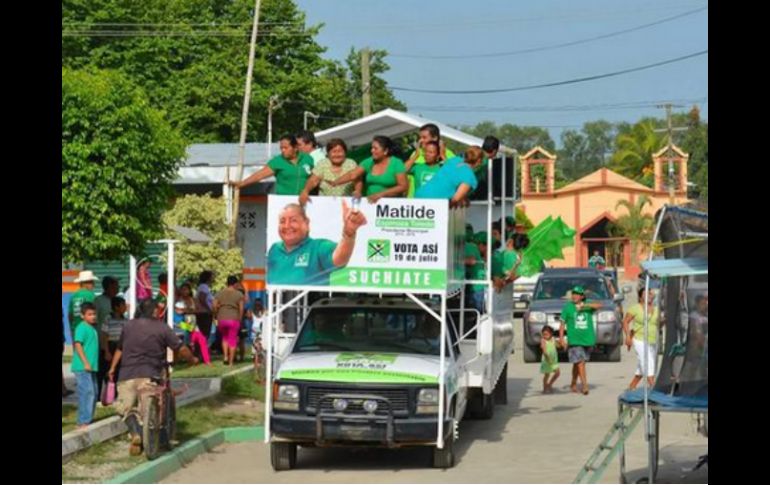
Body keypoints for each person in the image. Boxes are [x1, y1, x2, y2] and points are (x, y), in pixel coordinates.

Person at [108, 299, 197, 456]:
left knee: (125, 408)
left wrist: (112, 368)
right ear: (155, 311)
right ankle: (151, 436)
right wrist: (192, 360)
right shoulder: (162, 328)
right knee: (151, 409)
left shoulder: (128, 326)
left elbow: (120, 349)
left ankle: (136, 434)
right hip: (152, 374)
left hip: (127, 374)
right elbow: (180, 347)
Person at [267, 202, 367, 286]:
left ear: (306, 223)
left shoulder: (318, 247)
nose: (287, 226)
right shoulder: (274, 249)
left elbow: (339, 259)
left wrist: (348, 233)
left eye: (293, 220)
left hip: (308, 307)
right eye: (282, 221)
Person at [331, 136, 408, 203]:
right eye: (372, 148)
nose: (372, 151)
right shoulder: (369, 161)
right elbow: (353, 175)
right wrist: (335, 182)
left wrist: (381, 194)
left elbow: (403, 186)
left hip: (391, 207)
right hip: (371, 203)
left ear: (385, 151)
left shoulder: (397, 163)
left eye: (375, 148)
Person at [235, 135, 314, 195]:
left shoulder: (308, 159)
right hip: (283, 200)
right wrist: (242, 183)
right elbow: (259, 175)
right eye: (281, 148)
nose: (283, 150)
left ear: (295, 148)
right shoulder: (277, 161)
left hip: (304, 200)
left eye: (286, 148)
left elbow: (315, 177)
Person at [559, 286, 602, 395]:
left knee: (578, 364)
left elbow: (599, 305)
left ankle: (573, 383)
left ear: (582, 296)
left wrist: (584, 306)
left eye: (577, 294)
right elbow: (562, 323)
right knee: (580, 362)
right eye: (573, 293)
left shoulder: (587, 304)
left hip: (588, 339)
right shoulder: (568, 307)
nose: (574, 296)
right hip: (574, 340)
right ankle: (585, 385)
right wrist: (561, 339)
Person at [414, 146, 485, 207]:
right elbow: (455, 199)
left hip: (419, 195)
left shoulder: (454, 160)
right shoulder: (470, 177)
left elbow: (450, 179)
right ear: (479, 160)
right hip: (433, 204)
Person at [299, 138, 362, 205]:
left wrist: (358, 191)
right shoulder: (322, 164)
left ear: (345, 152)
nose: (337, 154)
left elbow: (357, 180)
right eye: (334, 152)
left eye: (340, 151)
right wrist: (305, 191)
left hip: (346, 204)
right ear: (328, 153)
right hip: (325, 204)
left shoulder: (351, 163)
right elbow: (313, 180)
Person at [623, 288, 660, 390]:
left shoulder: (656, 309)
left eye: (650, 293)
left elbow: (659, 324)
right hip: (639, 339)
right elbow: (625, 322)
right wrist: (627, 336)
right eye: (645, 294)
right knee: (648, 362)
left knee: (643, 365)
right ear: (640, 297)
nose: (648, 295)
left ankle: (632, 386)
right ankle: (653, 387)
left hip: (653, 340)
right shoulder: (635, 308)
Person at [405, 123, 455, 197]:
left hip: (438, 203)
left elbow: (455, 176)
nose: (421, 141)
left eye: (424, 137)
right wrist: (416, 155)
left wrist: (443, 156)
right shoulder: (416, 153)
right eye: (420, 137)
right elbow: (402, 171)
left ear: (435, 138)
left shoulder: (448, 155)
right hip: (415, 202)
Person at [71, 302, 99, 429]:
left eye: (94, 314)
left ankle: (88, 418)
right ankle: (83, 421)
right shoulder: (81, 327)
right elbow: (78, 345)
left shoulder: (92, 328)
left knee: (94, 392)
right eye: (89, 314)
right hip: (83, 367)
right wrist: (85, 362)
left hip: (91, 367)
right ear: (82, 315)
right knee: (87, 392)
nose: (93, 316)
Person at [94, 276, 119, 398]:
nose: (118, 288)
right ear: (108, 287)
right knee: (102, 369)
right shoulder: (98, 301)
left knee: (114, 370)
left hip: (115, 342)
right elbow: (95, 320)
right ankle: (98, 395)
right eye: (115, 286)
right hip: (102, 341)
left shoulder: (118, 300)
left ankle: (112, 394)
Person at [214, 276, 245, 366]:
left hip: (222, 319)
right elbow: (241, 308)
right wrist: (240, 318)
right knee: (232, 340)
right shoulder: (239, 294)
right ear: (235, 284)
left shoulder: (219, 293)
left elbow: (214, 305)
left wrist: (216, 314)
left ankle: (225, 357)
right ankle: (231, 362)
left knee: (225, 338)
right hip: (233, 319)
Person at [68, 270, 98, 338]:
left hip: (75, 330)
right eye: (92, 282)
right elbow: (96, 313)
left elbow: (70, 315)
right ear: (87, 283)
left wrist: (72, 328)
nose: (94, 285)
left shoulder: (73, 296)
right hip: (88, 330)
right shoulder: (91, 295)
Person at [195, 271, 215, 353]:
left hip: (204, 313)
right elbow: (202, 298)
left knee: (204, 333)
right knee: (204, 333)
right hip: (204, 313)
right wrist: (208, 309)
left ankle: (201, 351)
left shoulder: (203, 287)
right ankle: (201, 352)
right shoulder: (204, 287)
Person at [540, 325, 561, 394]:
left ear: (551, 334)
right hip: (547, 360)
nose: (545, 336)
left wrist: (560, 343)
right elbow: (544, 350)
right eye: (544, 334)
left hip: (554, 360)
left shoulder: (553, 339)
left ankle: (549, 384)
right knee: (547, 375)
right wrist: (547, 357)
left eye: (547, 334)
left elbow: (558, 345)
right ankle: (545, 388)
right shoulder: (543, 341)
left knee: (557, 373)